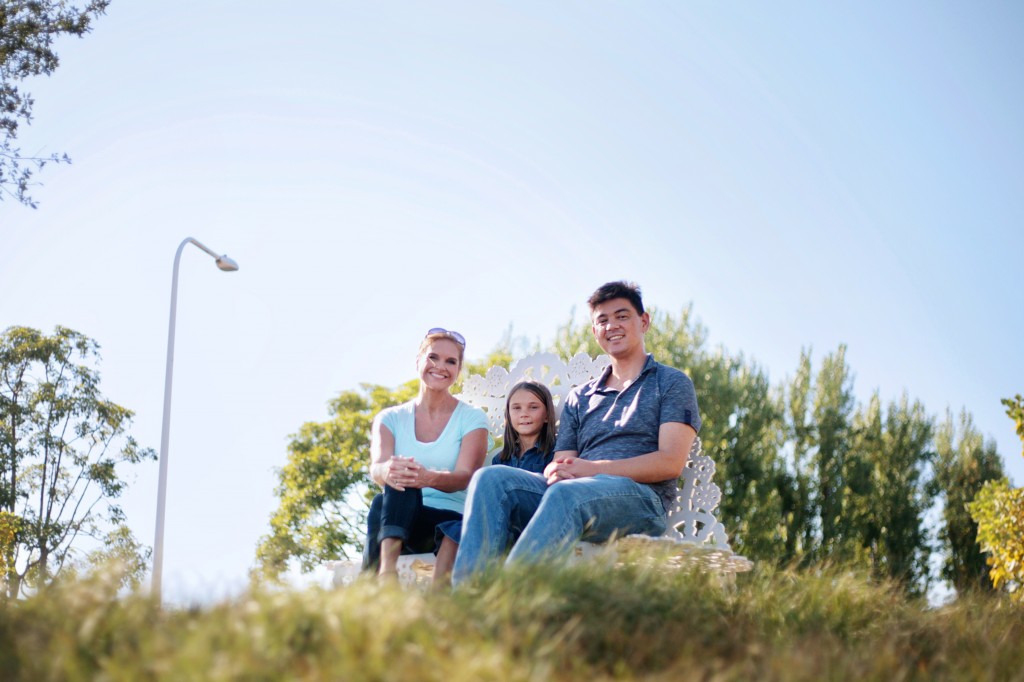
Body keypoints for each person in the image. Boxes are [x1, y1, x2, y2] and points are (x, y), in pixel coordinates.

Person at [451, 281, 701, 585]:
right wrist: (560, 470)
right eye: (603, 320)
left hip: (642, 502)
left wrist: (592, 470)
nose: (612, 326)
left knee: (569, 493)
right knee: (490, 479)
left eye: (622, 316)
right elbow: (564, 462)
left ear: (643, 321)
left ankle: (508, 604)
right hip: (577, 494)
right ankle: (467, 598)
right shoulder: (580, 397)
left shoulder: (671, 383)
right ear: (595, 331)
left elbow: (669, 462)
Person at [362, 328, 489, 585]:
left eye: (451, 361)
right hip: (400, 522)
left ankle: (372, 584)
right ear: (418, 361)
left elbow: (465, 477)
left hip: (448, 526)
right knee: (395, 478)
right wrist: (386, 471)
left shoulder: (472, 418)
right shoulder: (390, 418)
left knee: (394, 489)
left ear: (458, 370)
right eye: (433, 357)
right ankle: (387, 574)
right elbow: (376, 468)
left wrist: (427, 478)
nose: (440, 366)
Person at [432, 380, 557, 584]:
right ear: (508, 415)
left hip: (531, 519)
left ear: (546, 416)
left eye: (533, 407)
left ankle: (474, 589)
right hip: (500, 520)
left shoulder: (554, 452)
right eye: (516, 408)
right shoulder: (503, 459)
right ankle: (441, 600)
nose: (524, 413)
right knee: (453, 530)